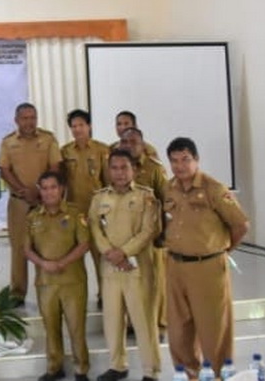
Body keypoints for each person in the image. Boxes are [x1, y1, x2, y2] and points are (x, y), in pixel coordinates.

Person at [162, 137, 249, 377]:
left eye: (185, 159)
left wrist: (222, 250)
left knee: (213, 328)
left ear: (196, 160)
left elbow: (241, 225)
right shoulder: (169, 189)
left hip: (207, 267)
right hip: (175, 265)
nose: (180, 166)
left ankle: (218, 374)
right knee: (179, 329)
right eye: (174, 161)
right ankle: (188, 374)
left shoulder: (214, 189)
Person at [88, 149, 161, 381]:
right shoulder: (99, 198)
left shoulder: (146, 196)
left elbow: (148, 231)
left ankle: (150, 370)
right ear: (108, 170)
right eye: (114, 168)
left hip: (137, 269)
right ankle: (117, 365)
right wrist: (110, 253)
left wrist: (124, 253)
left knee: (143, 322)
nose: (119, 173)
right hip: (110, 268)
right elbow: (94, 228)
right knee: (112, 320)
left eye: (124, 168)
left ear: (134, 170)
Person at [25, 171, 90, 381]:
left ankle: (81, 369)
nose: (49, 192)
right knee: (51, 328)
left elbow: (84, 244)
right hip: (46, 282)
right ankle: (54, 368)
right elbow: (27, 249)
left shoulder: (75, 213)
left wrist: (62, 263)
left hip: (73, 281)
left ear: (61, 189)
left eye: (53, 187)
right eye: (44, 188)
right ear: (40, 191)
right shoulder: (33, 217)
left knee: (76, 328)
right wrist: (44, 263)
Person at [0, 103, 61, 306]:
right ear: (16, 120)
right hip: (19, 203)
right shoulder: (8, 142)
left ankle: (47, 287)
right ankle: (17, 293)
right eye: (25, 118)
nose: (29, 122)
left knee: (46, 246)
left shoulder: (48, 139)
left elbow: (55, 167)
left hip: (45, 202)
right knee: (19, 248)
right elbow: (4, 170)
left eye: (33, 117)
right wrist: (24, 191)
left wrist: (40, 191)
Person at [119, 126, 168, 336]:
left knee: (154, 282)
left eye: (134, 142)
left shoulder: (154, 168)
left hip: (151, 236)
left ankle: (158, 324)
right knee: (130, 280)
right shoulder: (116, 167)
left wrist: (164, 234)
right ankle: (132, 323)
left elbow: (166, 201)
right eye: (125, 142)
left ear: (142, 145)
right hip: (125, 236)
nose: (129, 146)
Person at [60, 109, 109, 309]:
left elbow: (108, 183)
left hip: (96, 212)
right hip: (74, 213)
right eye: (74, 126)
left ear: (89, 126)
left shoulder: (102, 150)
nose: (77, 129)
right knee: (73, 259)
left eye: (81, 125)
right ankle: (74, 297)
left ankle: (104, 294)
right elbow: (61, 183)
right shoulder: (65, 152)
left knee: (101, 257)